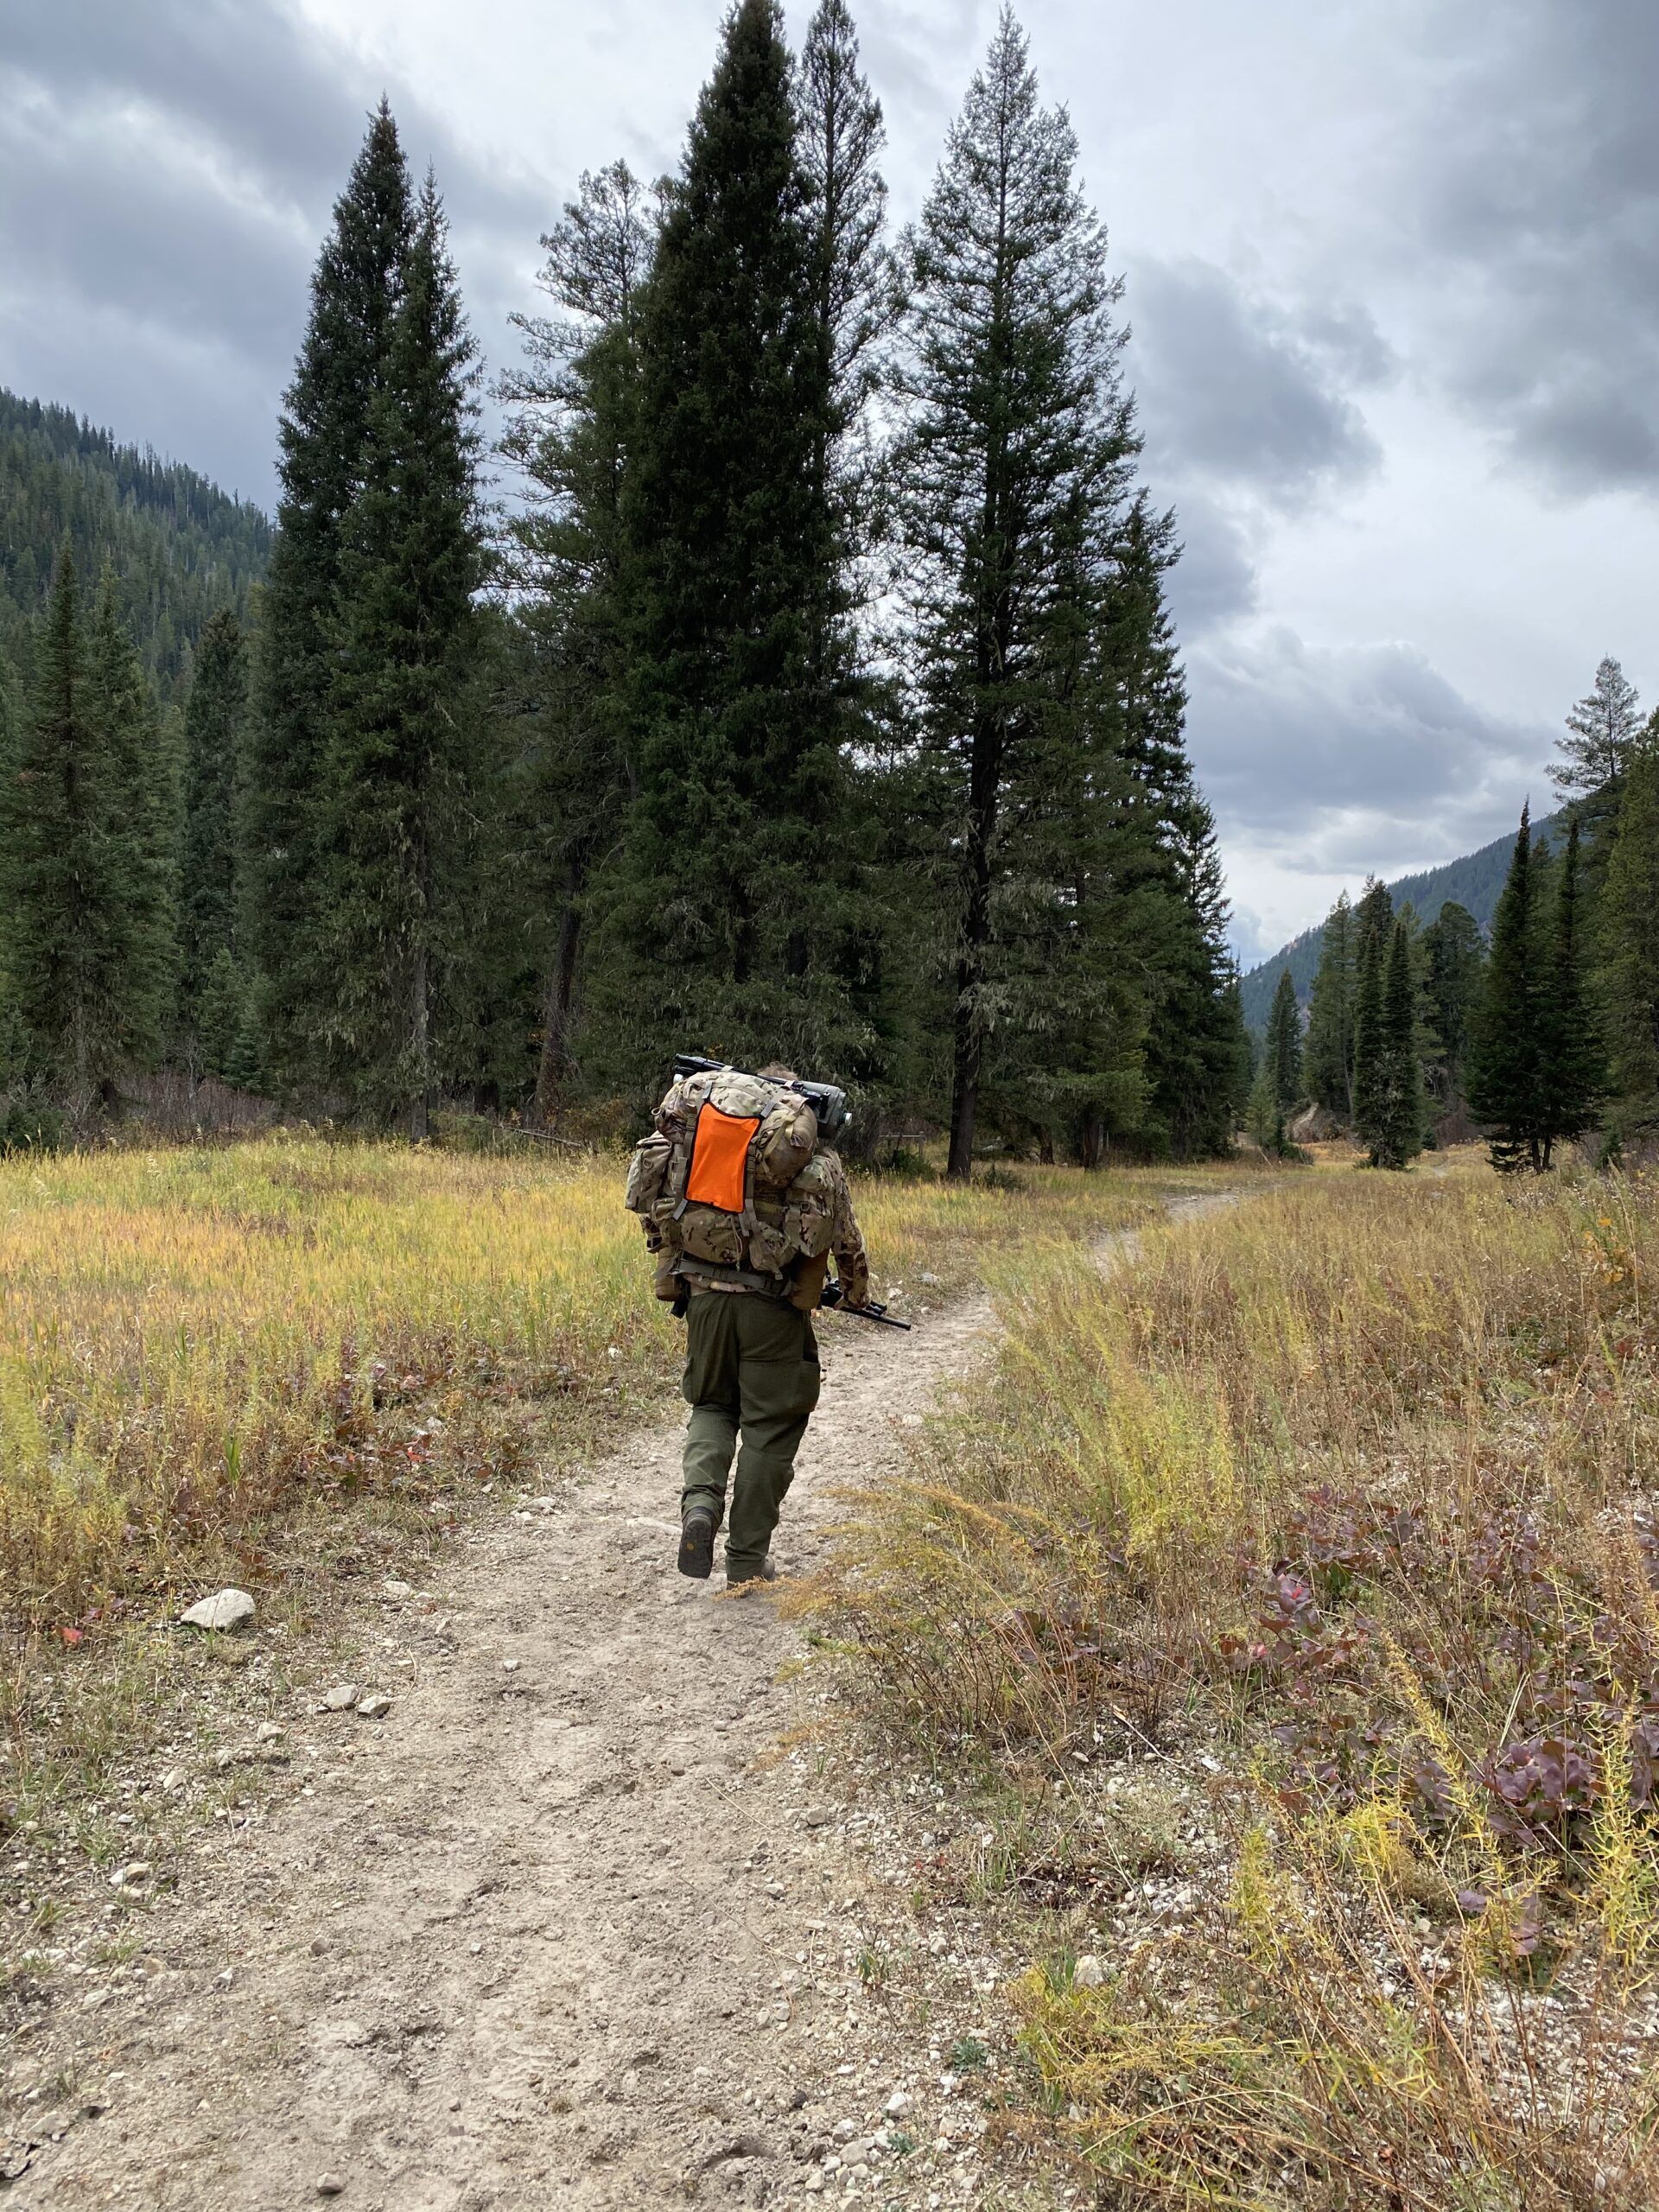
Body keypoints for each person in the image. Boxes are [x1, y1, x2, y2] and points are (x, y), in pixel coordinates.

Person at [631, 1061, 868, 1587]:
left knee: (712, 1406)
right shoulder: (814, 1156)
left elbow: (654, 1209)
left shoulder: (702, 1138)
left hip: (703, 1302)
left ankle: (700, 1507)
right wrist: (855, 1296)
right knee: (769, 1427)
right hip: (773, 1310)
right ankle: (744, 1562)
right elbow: (846, 1240)